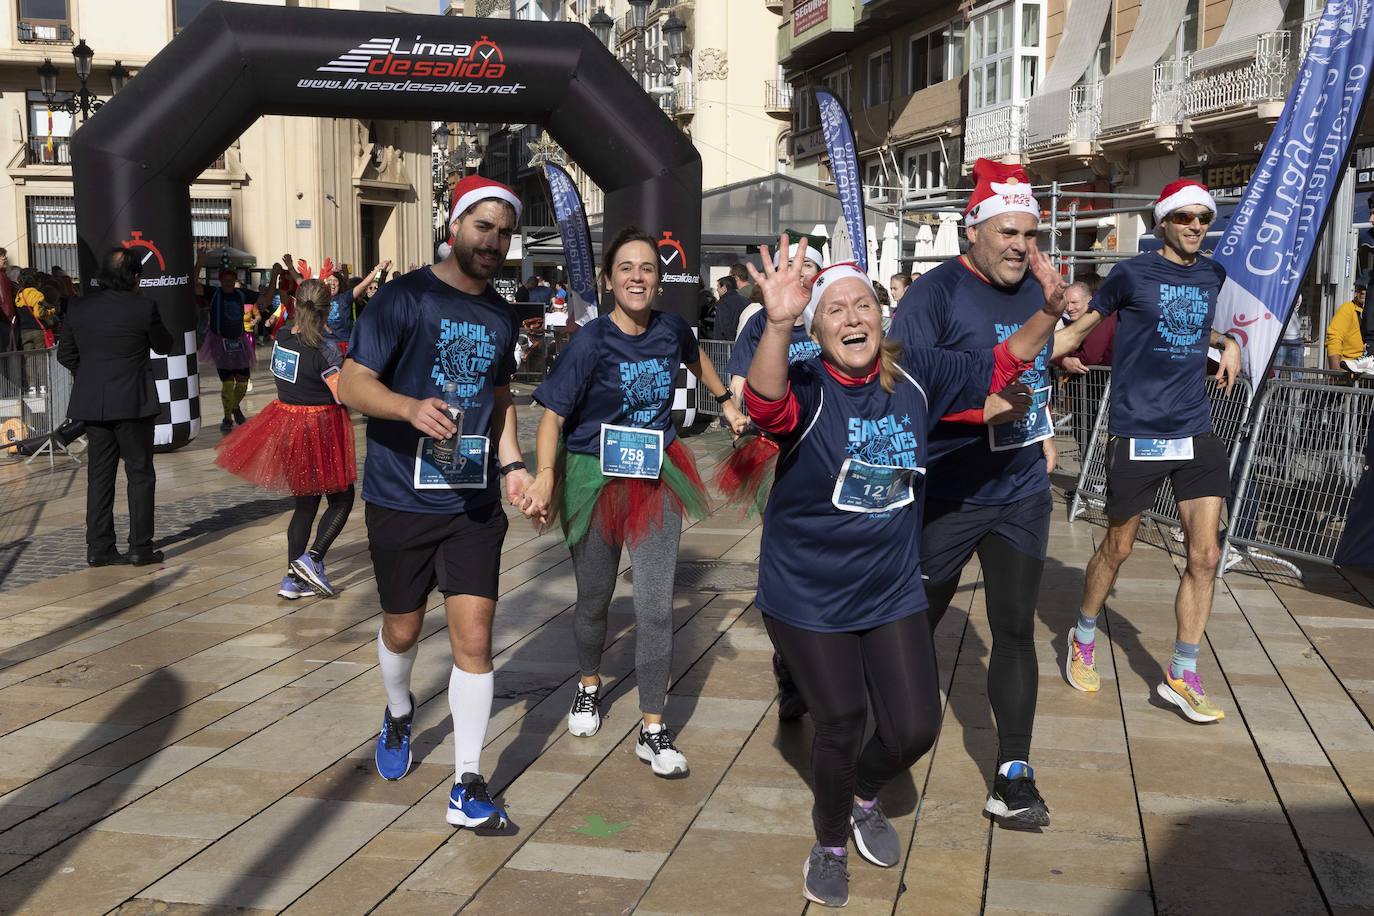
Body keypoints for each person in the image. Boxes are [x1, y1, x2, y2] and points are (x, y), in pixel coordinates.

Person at [741, 239, 1065, 907]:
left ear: (883, 317)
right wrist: (777, 323)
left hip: (887, 586)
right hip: (808, 592)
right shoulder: (806, 384)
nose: (853, 318)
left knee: (916, 726)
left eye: (863, 304)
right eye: (835, 311)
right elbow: (764, 405)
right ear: (818, 328)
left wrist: (1050, 313)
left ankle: (862, 794)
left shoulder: (916, 375)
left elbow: (1002, 362)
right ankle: (829, 840)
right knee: (840, 717)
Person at [338, 176, 532, 831]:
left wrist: (512, 464)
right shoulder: (403, 298)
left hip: (473, 503)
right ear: (454, 226)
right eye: (484, 227)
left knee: (475, 640)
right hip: (400, 496)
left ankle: (467, 783)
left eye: (504, 232)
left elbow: (499, 397)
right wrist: (407, 407)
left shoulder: (502, 314)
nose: (494, 242)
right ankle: (398, 713)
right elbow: (351, 384)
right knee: (403, 628)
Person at [522, 226, 747, 779]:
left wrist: (726, 403)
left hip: (656, 474)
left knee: (653, 606)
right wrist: (545, 476)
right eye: (626, 268)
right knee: (594, 599)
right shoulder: (590, 341)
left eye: (647, 268)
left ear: (659, 280)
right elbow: (551, 415)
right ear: (608, 279)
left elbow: (697, 358)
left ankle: (652, 726)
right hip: (592, 475)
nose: (638, 277)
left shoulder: (672, 329)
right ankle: (588, 685)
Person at [889, 159, 1061, 827]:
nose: (1021, 245)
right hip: (948, 492)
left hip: (1019, 491)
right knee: (912, 625)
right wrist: (981, 410)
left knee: (1014, 630)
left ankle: (1013, 772)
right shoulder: (933, 294)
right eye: (1009, 232)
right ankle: (879, 735)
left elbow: (1039, 367)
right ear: (976, 232)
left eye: (1030, 234)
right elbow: (901, 387)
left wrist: (1042, 416)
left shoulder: (1037, 294)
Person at [1052, 178, 1242, 723]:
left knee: (1205, 556)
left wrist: (1228, 342)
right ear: (1163, 222)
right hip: (1138, 430)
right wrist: (1017, 357)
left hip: (1196, 429)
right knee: (1119, 547)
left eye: (1203, 219)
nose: (1195, 227)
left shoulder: (1213, 272)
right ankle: (1083, 635)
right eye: (1184, 218)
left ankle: (1182, 672)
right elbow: (1076, 331)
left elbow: (1196, 327)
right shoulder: (1129, 274)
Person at [214, 279, 356, 600]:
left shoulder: (281, 338)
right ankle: (313, 558)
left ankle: (292, 579)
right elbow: (342, 394)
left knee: (304, 505)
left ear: (296, 304)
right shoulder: (325, 350)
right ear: (326, 310)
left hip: (286, 426)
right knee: (342, 499)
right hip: (320, 428)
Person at [57, 247, 173, 567]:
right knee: (139, 473)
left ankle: (99, 547)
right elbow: (164, 345)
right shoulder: (143, 307)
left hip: (94, 403)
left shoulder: (78, 307)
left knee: (99, 475)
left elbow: (65, 355)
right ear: (135, 276)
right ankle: (140, 547)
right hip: (133, 402)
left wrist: (92, 377)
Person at [197, 260, 259, 432]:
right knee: (227, 384)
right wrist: (199, 262)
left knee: (242, 383)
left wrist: (275, 275)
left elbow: (265, 299)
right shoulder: (213, 292)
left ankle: (235, 407)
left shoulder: (241, 294)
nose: (229, 281)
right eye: (225, 278)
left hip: (239, 344)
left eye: (232, 278)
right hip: (219, 343)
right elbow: (193, 287)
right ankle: (227, 418)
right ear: (221, 279)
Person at [325, 259, 391, 350]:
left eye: (335, 280)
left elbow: (363, 285)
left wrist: (377, 270)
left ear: (339, 284)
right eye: (329, 280)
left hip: (342, 344)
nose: (332, 283)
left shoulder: (344, 298)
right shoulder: (318, 299)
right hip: (325, 344)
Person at [1326, 281, 1367, 373]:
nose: (1363, 292)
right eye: (1360, 288)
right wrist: (1336, 372)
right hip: (1349, 370)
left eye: (1367, 288)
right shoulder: (1347, 309)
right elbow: (1334, 338)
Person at [713, 275, 748, 341]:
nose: (717, 289)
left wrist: (733, 342)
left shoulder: (723, 303)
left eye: (718, 287)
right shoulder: (746, 301)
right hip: (742, 342)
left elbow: (725, 326)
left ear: (724, 288)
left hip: (724, 346)